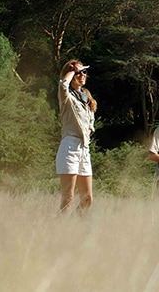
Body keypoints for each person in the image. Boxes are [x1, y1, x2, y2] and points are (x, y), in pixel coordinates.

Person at [56, 59, 97, 213]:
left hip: (84, 148)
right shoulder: (66, 97)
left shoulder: (86, 97)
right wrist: (72, 70)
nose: (82, 75)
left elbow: (91, 122)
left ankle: (76, 227)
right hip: (70, 146)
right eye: (78, 73)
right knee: (68, 196)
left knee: (87, 199)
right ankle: (61, 228)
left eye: (84, 72)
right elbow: (62, 85)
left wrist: (88, 132)